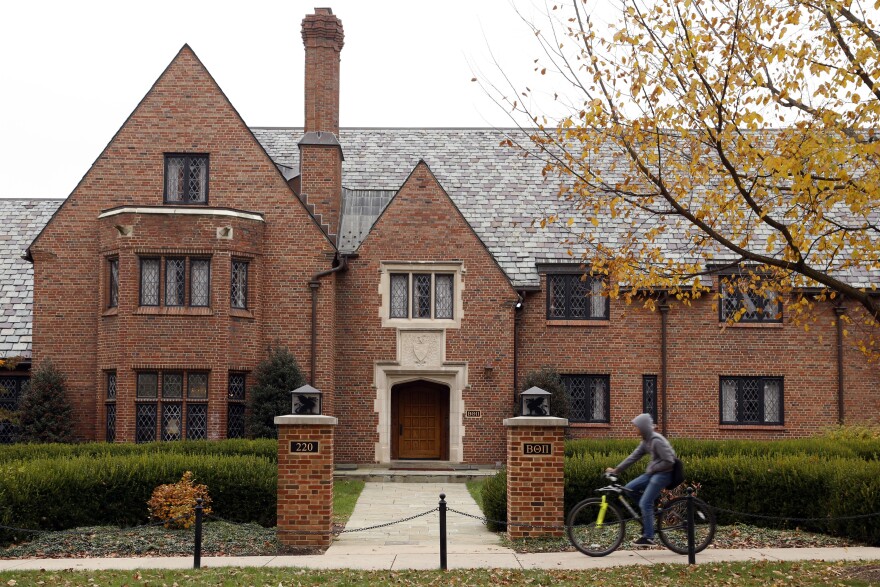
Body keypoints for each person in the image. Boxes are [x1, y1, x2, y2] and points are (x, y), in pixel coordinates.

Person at [605, 413, 675, 547]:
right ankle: (649, 513)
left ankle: (648, 537)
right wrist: (616, 470)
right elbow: (633, 457)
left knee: (644, 502)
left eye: (636, 427)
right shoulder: (646, 441)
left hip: (664, 474)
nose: (634, 429)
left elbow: (669, 461)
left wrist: (653, 467)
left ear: (643, 427)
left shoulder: (656, 440)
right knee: (630, 488)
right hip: (654, 473)